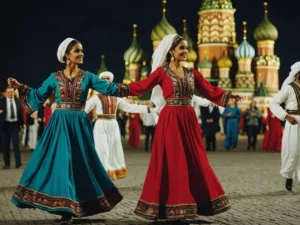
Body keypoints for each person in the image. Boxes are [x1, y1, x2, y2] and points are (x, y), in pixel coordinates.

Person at [7, 38, 129, 224]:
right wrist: (20, 87)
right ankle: (66, 208)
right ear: (66, 55)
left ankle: (79, 204)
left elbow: (109, 88)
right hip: (60, 124)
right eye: (77, 51)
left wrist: (134, 87)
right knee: (62, 162)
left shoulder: (88, 76)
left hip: (79, 124)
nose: (81, 54)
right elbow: (39, 95)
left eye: (82, 51)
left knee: (80, 163)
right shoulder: (54, 77)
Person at [123, 34, 241, 221]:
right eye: (181, 48)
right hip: (170, 120)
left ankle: (197, 204)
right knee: (173, 160)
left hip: (189, 120)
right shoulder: (161, 72)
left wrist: (228, 96)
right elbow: (140, 86)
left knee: (195, 159)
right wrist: (116, 89)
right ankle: (173, 206)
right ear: (171, 51)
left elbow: (209, 91)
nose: (185, 51)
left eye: (186, 48)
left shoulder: (191, 73)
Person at [85, 71, 152, 180]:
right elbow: (84, 109)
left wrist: (146, 108)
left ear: (111, 81)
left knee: (113, 149)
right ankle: (102, 175)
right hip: (100, 125)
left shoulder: (116, 97)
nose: (106, 80)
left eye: (108, 78)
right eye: (104, 78)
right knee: (102, 149)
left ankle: (111, 174)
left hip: (113, 124)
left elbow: (129, 107)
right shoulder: (96, 97)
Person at [269, 61, 300, 192]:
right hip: (293, 122)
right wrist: (286, 116)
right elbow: (273, 104)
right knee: (292, 151)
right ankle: (289, 176)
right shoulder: (288, 88)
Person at [0, 86, 24, 169]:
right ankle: (7, 164)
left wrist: (22, 123)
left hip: (15, 125)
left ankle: (18, 163)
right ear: (6, 93)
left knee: (16, 145)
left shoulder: (17, 101)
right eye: (9, 92)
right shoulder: (2, 101)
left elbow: (20, 113)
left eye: (12, 92)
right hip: (5, 125)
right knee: (5, 146)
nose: (10, 93)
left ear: (14, 92)